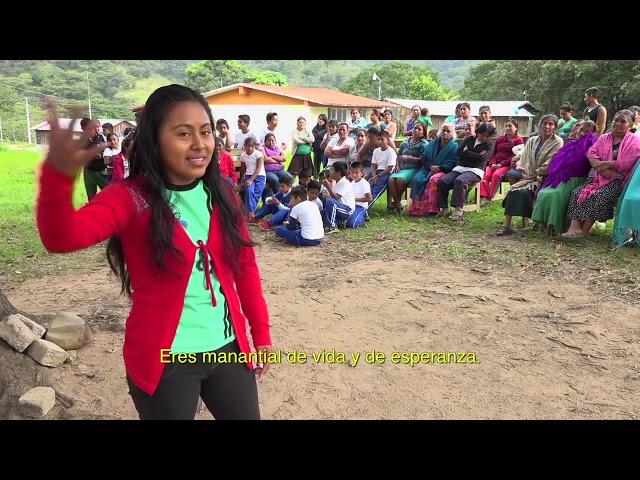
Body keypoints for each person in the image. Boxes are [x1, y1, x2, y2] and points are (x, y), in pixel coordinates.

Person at [35, 84, 272, 420]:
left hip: (227, 350)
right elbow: (60, 238)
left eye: (205, 132)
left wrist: (259, 334)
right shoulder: (130, 198)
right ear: (155, 142)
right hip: (165, 361)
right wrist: (58, 177)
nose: (199, 144)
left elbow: (245, 268)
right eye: (183, 133)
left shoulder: (223, 194)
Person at [563, 109, 640, 238]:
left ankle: (585, 230)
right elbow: (592, 152)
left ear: (630, 125)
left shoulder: (634, 141)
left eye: (623, 121)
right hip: (596, 176)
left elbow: (630, 160)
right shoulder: (605, 137)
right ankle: (574, 227)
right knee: (577, 192)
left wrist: (609, 164)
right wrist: (600, 168)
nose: (618, 124)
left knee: (599, 195)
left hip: (617, 180)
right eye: (616, 120)